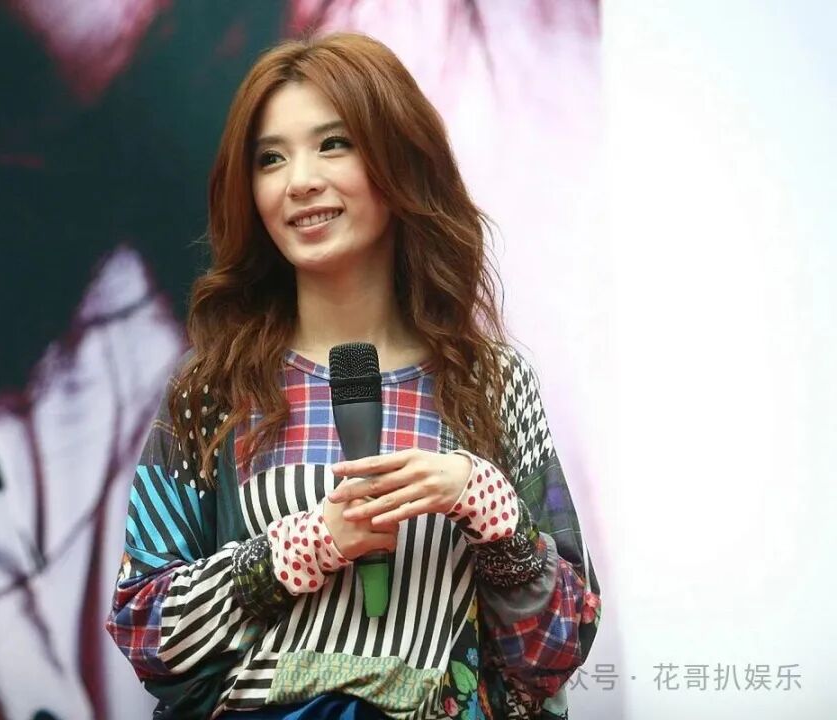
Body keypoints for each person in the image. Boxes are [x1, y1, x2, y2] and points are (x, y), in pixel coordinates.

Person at [105, 32, 600, 720]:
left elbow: (557, 650)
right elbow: (145, 630)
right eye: (271, 158)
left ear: (399, 162)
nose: (300, 180)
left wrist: (492, 513)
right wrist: (298, 550)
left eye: (333, 144)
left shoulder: (491, 382)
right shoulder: (214, 389)